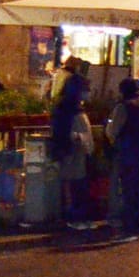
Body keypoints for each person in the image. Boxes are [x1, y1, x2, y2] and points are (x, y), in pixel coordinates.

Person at [106, 77, 139, 239]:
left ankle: (129, 228)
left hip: (127, 153)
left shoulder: (123, 108)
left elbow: (112, 131)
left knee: (127, 191)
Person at [49, 73, 94, 227]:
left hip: (77, 152)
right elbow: (62, 132)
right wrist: (78, 139)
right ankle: (73, 218)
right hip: (71, 152)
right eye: (86, 89)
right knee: (74, 186)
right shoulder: (67, 109)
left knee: (78, 185)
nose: (88, 92)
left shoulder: (71, 108)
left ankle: (77, 217)